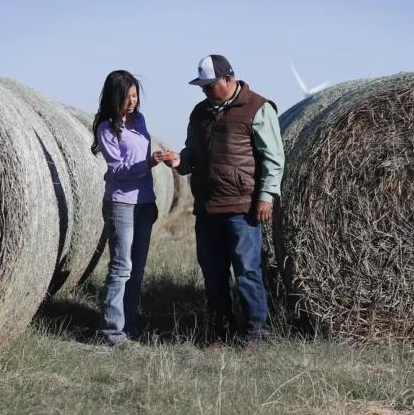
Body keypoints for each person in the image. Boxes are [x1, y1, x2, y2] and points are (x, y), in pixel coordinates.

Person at [164, 55, 284, 346]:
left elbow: (273, 157)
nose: (204, 92)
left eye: (209, 86)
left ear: (228, 79)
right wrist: (180, 161)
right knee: (213, 274)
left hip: (242, 208)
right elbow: (192, 151)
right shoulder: (200, 112)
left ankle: (256, 333)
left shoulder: (258, 107)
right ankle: (220, 331)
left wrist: (266, 196)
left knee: (247, 271)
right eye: (202, 88)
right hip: (207, 208)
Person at [92, 70, 165, 346]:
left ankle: (130, 325)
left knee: (137, 270)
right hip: (121, 204)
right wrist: (149, 163)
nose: (132, 101)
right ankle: (111, 331)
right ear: (115, 97)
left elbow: (141, 160)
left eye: (135, 95)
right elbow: (120, 171)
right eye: (127, 96)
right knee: (121, 268)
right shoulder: (107, 129)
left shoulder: (140, 120)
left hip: (144, 203)